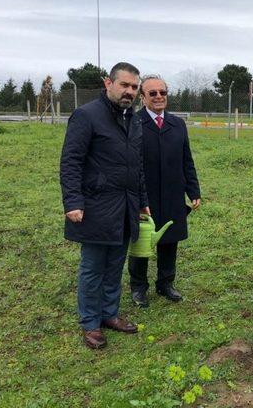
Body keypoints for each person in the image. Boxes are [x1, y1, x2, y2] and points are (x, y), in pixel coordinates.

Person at [60, 62, 150, 349]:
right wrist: (73, 201)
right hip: (96, 205)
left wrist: (143, 201)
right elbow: (71, 161)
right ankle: (90, 322)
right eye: (124, 85)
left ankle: (109, 314)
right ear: (107, 83)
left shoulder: (133, 119)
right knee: (93, 266)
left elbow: (136, 166)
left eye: (134, 87)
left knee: (115, 264)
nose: (129, 91)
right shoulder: (86, 116)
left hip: (125, 205)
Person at [129, 75, 201, 307]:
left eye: (163, 92)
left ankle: (165, 283)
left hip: (172, 193)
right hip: (144, 195)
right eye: (153, 93)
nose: (159, 97)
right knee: (141, 242)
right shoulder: (133, 122)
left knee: (170, 240)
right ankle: (139, 288)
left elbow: (186, 159)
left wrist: (193, 190)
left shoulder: (177, 124)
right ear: (143, 97)